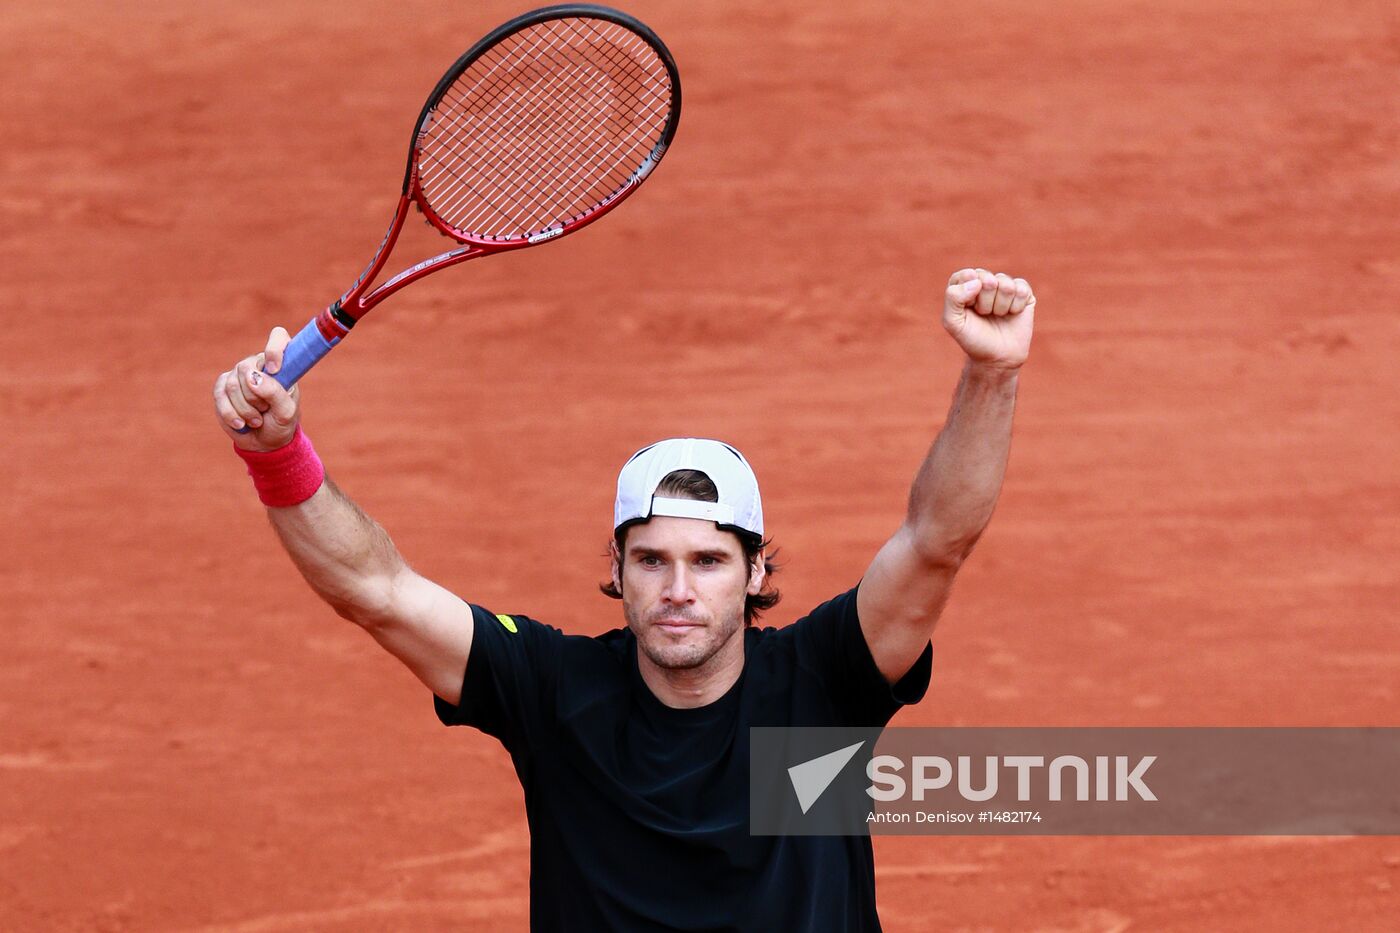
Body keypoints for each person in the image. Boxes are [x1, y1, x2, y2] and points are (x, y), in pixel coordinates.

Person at [212, 268, 1036, 931]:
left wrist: (991, 372)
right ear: (617, 566)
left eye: (709, 560)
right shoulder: (555, 690)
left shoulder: (824, 684)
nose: (678, 590)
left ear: (755, 572)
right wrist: (277, 454)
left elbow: (936, 540)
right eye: (652, 560)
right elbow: (376, 590)